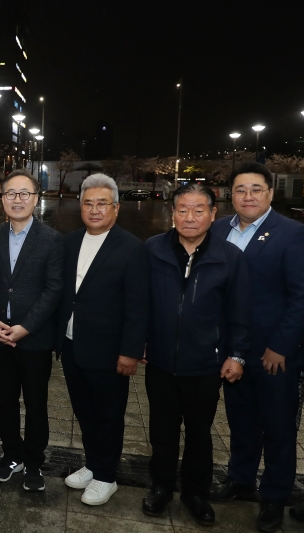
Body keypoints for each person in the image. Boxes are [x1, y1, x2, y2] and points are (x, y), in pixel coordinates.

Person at [141, 183, 249, 526]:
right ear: (172, 214)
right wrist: (137, 342)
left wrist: (237, 355)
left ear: (213, 215)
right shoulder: (153, 249)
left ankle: (195, 492)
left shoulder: (230, 257)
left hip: (205, 363)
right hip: (159, 360)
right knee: (162, 430)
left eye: (199, 210)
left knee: (201, 433)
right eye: (183, 210)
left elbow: (240, 313)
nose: (190, 217)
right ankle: (161, 486)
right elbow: (139, 302)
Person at [209, 162, 304, 532]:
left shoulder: (292, 233)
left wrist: (281, 345)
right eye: (240, 190)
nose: (247, 196)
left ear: (269, 192)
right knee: (240, 418)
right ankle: (241, 478)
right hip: (233, 349)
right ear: (230, 195)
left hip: (273, 352)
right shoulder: (218, 229)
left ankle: (276, 496)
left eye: (256, 189)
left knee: (278, 426)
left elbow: (300, 297)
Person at [56, 173, 150, 506]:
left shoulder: (132, 248)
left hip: (110, 351)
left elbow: (138, 306)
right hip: (72, 345)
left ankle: (107, 477)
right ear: (80, 206)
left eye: (102, 204)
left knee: (109, 415)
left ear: (116, 208)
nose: (95, 210)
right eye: (88, 203)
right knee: (84, 412)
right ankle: (93, 464)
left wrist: (131, 351)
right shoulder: (69, 243)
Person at [0, 169, 64, 492]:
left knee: (35, 401)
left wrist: (26, 327)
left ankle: (34, 461)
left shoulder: (52, 240)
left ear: (35, 198)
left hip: (35, 340)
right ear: (1, 199)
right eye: (10, 194)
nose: (17, 199)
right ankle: (11, 454)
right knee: (5, 401)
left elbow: (54, 290)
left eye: (24, 193)